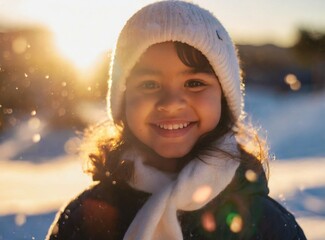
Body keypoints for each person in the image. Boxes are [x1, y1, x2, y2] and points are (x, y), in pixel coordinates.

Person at [46, 1, 306, 239]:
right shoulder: (86, 218)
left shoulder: (267, 225)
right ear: (123, 100)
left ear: (224, 98)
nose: (170, 103)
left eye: (194, 83)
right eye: (149, 84)